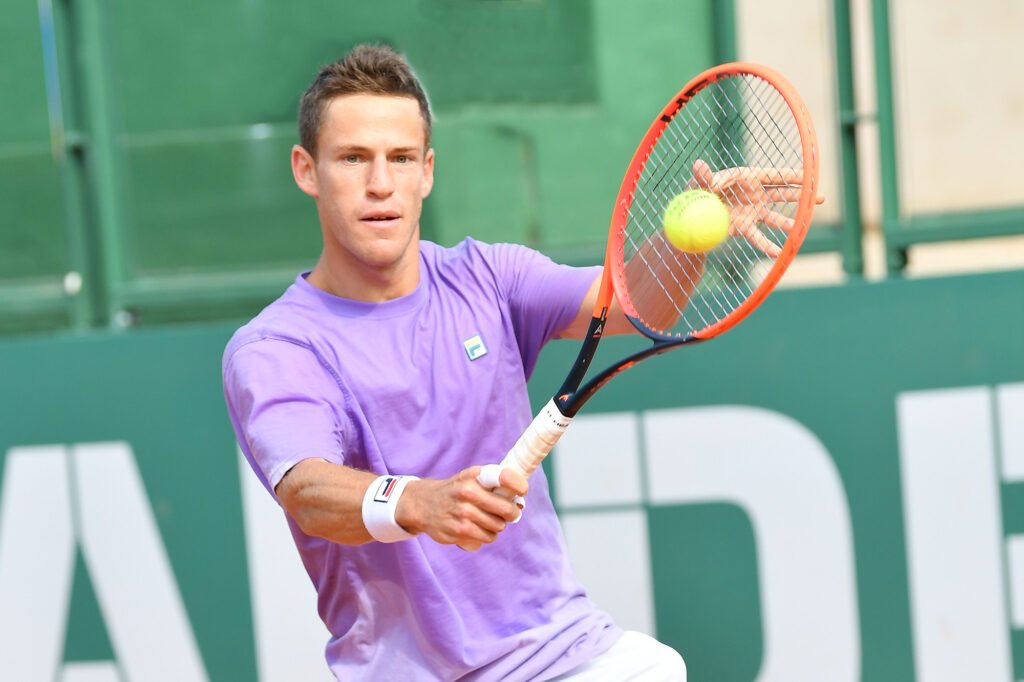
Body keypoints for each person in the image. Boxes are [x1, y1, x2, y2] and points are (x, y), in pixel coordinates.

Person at [224, 43, 767, 681]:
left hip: (563, 654)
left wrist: (686, 235)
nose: (380, 184)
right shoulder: (279, 349)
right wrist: (419, 502)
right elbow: (309, 492)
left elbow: (632, 303)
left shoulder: (486, 277)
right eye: (353, 158)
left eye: (400, 159)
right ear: (306, 169)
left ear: (426, 171)